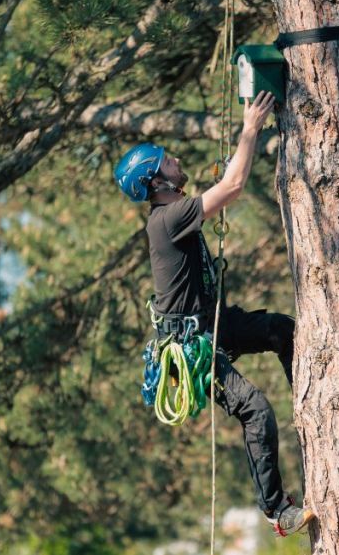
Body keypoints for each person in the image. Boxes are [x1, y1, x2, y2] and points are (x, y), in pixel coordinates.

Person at [113, 91, 312, 536]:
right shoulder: (167, 219)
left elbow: (222, 189)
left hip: (213, 326)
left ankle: (310, 401)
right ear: (156, 181)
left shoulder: (174, 213)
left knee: (282, 330)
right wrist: (250, 129)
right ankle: (276, 510)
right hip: (192, 349)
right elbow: (233, 187)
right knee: (256, 409)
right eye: (167, 161)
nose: (176, 160)